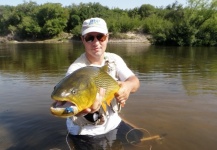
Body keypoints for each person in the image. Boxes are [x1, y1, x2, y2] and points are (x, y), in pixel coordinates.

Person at [66, 17, 141, 149]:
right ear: (82, 39)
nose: (96, 42)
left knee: (137, 138)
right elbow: (69, 107)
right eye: (90, 37)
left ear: (107, 38)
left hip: (113, 122)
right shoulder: (76, 70)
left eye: (100, 37)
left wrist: (127, 87)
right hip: (87, 131)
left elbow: (135, 81)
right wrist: (84, 110)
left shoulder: (114, 59)